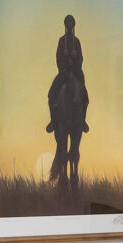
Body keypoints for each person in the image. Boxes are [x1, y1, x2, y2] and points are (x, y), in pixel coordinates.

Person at [46, 14, 89, 190]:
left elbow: (81, 59)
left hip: (76, 73)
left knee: (85, 95)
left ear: (74, 25)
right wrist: (64, 67)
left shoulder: (76, 42)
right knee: (51, 93)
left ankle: (83, 120)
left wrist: (75, 60)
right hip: (63, 73)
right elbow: (57, 58)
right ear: (65, 25)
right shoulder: (61, 41)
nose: (70, 25)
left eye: (72, 23)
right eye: (68, 23)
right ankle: (53, 120)